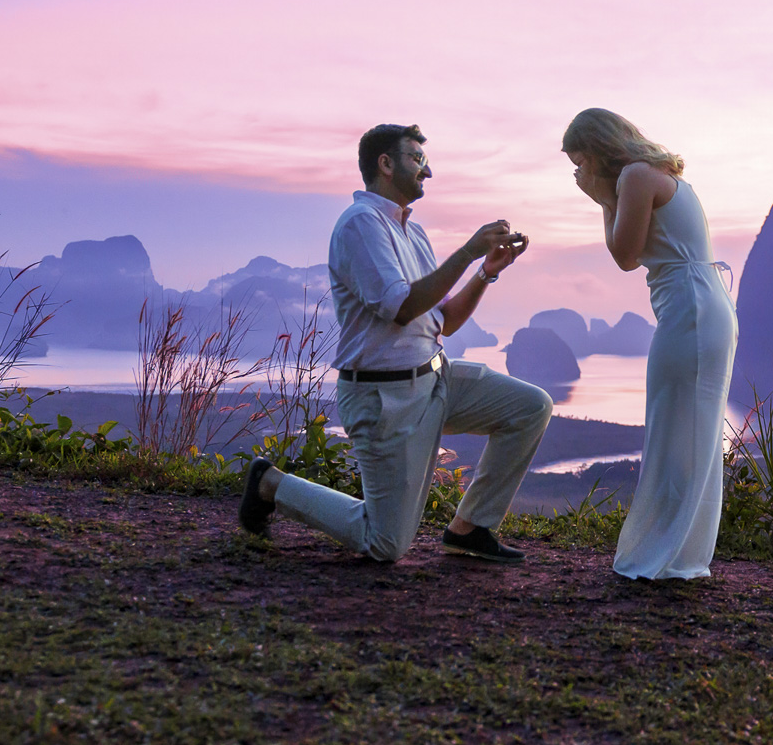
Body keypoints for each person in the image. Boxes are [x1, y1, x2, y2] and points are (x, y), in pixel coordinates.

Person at [238, 123, 552, 564]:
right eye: (417, 160)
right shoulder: (360, 225)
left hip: (436, 378)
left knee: (530, 407)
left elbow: (444, 322)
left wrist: (486, 271)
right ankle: (271, 484)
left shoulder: (413, 232)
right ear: (385, 164)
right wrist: (466, 252)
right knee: (386, 545)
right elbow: (401, 307)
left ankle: (470, 527)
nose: (428, 171)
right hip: (384, 396)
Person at [563, 108, 737, 580]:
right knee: (689, 433)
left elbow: (625, 255)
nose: (578, 173)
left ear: (599, 151)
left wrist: (602, 199)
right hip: (701, 307)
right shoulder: (661, 175)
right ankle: (680, 553)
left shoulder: (637, 176)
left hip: (690, 310)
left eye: (580, 160)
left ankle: (664, 555)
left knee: (674, 430)